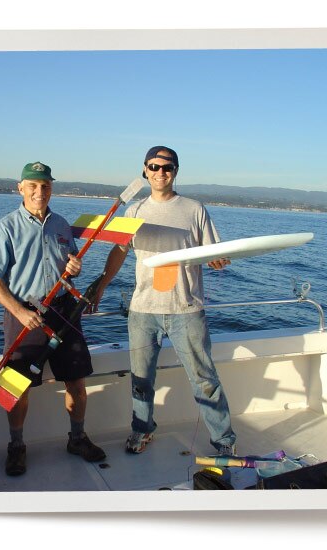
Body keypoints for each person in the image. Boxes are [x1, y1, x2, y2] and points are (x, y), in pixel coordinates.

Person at [92, 146, 237, 456]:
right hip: (143, 310)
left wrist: (217, 261)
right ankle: (142, 430)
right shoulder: (134, 211)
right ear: (145, 170)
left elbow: (213, 253)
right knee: (141, 380)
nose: (160, 172)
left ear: (176, 171)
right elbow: (119, 251)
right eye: (154, 167)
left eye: (167, 167)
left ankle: (224, 443)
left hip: (186, 310)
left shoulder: (195, 209)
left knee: (205, 380)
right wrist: (101, 284)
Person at [0, 161, 106, 476]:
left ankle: (77, 438)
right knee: (18, 386)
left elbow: (70, 265)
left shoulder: (62, 224)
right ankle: (16, 446)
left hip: (64, 311)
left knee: (76, 381)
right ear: (20, 188)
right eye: (33, 185)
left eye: (46, 185)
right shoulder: (5, 227)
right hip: (25, 312)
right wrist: (20, 311)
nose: (40, 191)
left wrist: (74, 270)